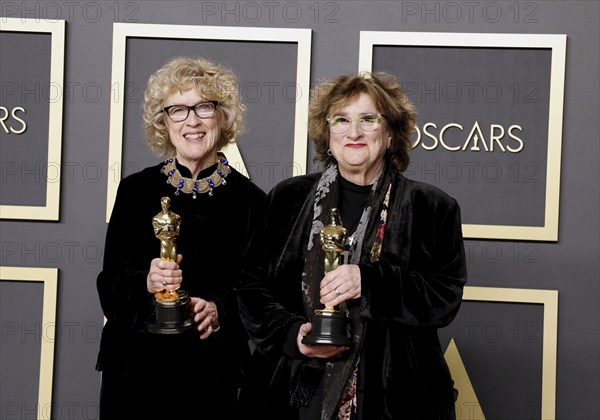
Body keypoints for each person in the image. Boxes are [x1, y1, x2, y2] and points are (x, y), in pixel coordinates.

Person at [237, 72, 467, 419]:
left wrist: (370, 281)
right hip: (294, 387)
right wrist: (291, 334)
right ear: (327, 135)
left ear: (390, 134)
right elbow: (250, 284)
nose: (354, 132)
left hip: (395, 395)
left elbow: (443, 296)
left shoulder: (431, 206)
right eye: (341, 120)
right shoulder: (288, 198)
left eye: (368, 119)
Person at [96, 56, 266, 419]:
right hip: (133, 373)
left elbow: (260, 297)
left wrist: (220, 310)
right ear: (164, 122)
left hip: (212, 376)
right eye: (178, 110)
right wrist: (146, 280)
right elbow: (109, 287)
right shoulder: (135, 190)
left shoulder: (253, 201)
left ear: (222, 117)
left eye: (204, 107)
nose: (192, 120)